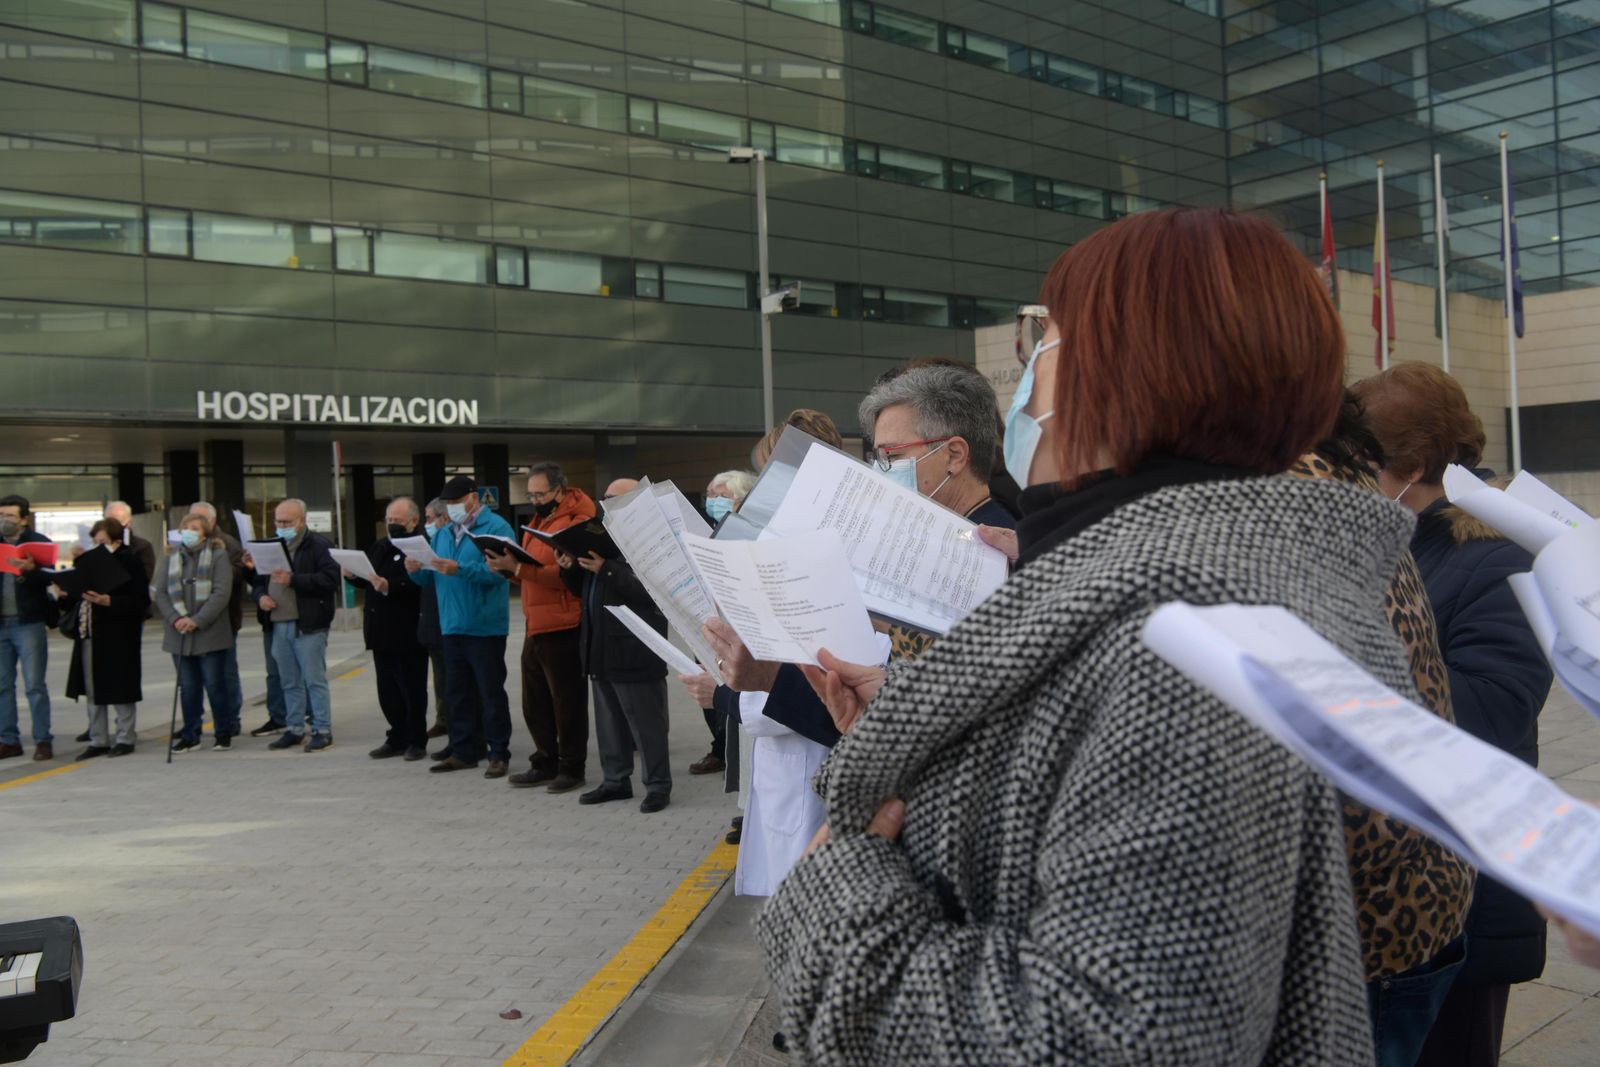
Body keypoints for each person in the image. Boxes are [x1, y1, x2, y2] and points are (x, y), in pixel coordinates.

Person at [760, 208, 1406, 1064]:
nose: (1028, 373)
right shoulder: (1155, 588)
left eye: (1049, 340)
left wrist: (843, 891)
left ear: (1128, 369)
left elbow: (1105, 1039)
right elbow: (1070, 756)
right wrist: (930, 716)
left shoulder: (1186, 646)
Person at [1354, 362, 1556, 1067]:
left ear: (1410, 465)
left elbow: (1497, 707)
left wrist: (1361, 660)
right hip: (1403, 891)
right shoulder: (1395, 542)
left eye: (1360, 465)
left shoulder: (1493, 557)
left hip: (1469, 902)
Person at [1288, 393, 1474, 1066]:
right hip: (1397, 915)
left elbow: (1363, 782)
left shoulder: (1295, 500)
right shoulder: (1327, 483)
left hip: (1374, 931)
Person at [557, 478, 673, 813]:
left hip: (635, 649)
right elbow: (588, 592)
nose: (605, 503)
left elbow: (654, 593)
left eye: (612, 498)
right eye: (603, 497)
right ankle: (615, 780)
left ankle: (658, 785)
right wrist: (570, 571)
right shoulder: (603, 535)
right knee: (609, 722)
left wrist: (607, 569)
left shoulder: (653, 538)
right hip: (600, 647)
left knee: (646, 723)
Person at [486, 462, 596, 793]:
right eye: (530, 494)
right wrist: (507, 568)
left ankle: (572, 767)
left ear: (559, 491)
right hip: (536, 622)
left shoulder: (577, 520)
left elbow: (565, 576)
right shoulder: (540, 520)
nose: (534, 499)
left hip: (564, 622)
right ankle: (545, 761)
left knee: (567, 703)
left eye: (540, 493)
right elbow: (533, 568)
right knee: (534, 701)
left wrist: (518, 568)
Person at [407, 476, 516, 778]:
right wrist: (416, 569)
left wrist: (461, 569)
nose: (451, 508)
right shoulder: (443, 534)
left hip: (484, 625)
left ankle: (498, 753)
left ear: (473, 498)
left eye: (456, 502)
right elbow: (432, 578)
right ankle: (464, 749)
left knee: (490, 692)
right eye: (448, 504)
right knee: (456, 693)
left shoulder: (496, 528)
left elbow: (500, 573)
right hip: (451, 625)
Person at [250, 499, 339, 753]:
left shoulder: (318, 545)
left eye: (287, 522)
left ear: (302, 520)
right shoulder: (269, 545)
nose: (281, 526)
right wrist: (260, 597)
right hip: (278, 623)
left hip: (308, 624)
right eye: (278, 521)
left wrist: (294, 580)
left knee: (314, 679)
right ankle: (294, 728)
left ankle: (322, 729)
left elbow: (330, 579)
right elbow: (258, 581)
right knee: (288, 680)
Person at [344, 497, 429, 761]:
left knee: (411, 688)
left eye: (398, 521)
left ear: (414, 522)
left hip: (406, 630)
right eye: (389, 520)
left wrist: (390, 586)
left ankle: (416, 739)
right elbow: (370, 579)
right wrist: (354, 576)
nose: (392, 525)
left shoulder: (419, 547)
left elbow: (420, 583)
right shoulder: (381, 545)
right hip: (379, 630)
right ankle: (396, 736)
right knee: (387, 689)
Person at [61, 518, 149, 759]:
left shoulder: (129, 561)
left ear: (117, 541)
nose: (97, 546)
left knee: (120, 686)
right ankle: (98, 738)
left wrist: (110, 601)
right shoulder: (89, 564)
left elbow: (141, 601)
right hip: (90, 633)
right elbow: (78, 597)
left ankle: (125, 737)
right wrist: (64, 593)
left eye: (102, 542)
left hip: (119, 635)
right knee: (92, 687)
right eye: (94, 542)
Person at [690, 469, 757, 778]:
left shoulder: (749, 534)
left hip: (738, 634)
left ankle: (735, 760)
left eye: (720, 496)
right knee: (710, 697)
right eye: (710, 495)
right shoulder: (707, 532)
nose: (712, 501)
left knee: (734, 699)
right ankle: (721, 748)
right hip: (708, 627)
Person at [153, 512, 238, 753]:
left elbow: (221, 593)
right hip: (179, 633)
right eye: (185, 528)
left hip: (209, 633)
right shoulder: (171, 556)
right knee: (188, 687)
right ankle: (191, 733)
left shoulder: (218, 556)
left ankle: (223, 731)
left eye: (195, 528)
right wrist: (176, 618)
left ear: (205, 533)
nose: (189, 532)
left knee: (214, 684)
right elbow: (160, 592)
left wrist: (197, 620)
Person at [0, 494, 55, 761]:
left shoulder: (38, 543)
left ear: (23, 518)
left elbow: (51, 578)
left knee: (34, 684)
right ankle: (8, 740)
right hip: (1, 624)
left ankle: (43, 740)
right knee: (2, 685)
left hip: (29, 623)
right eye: (1, 515)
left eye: (9, 515)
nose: (4, 520)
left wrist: (31, 570)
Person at [418, 498, 451, 744]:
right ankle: (444, 720)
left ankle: (463, 725)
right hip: (432, 621)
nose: (427, 524)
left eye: (430, 519)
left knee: (456, 679)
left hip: (452, 622)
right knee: (440, 676)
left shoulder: (450, 544)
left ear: (444, 518)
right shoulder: (431, 544)